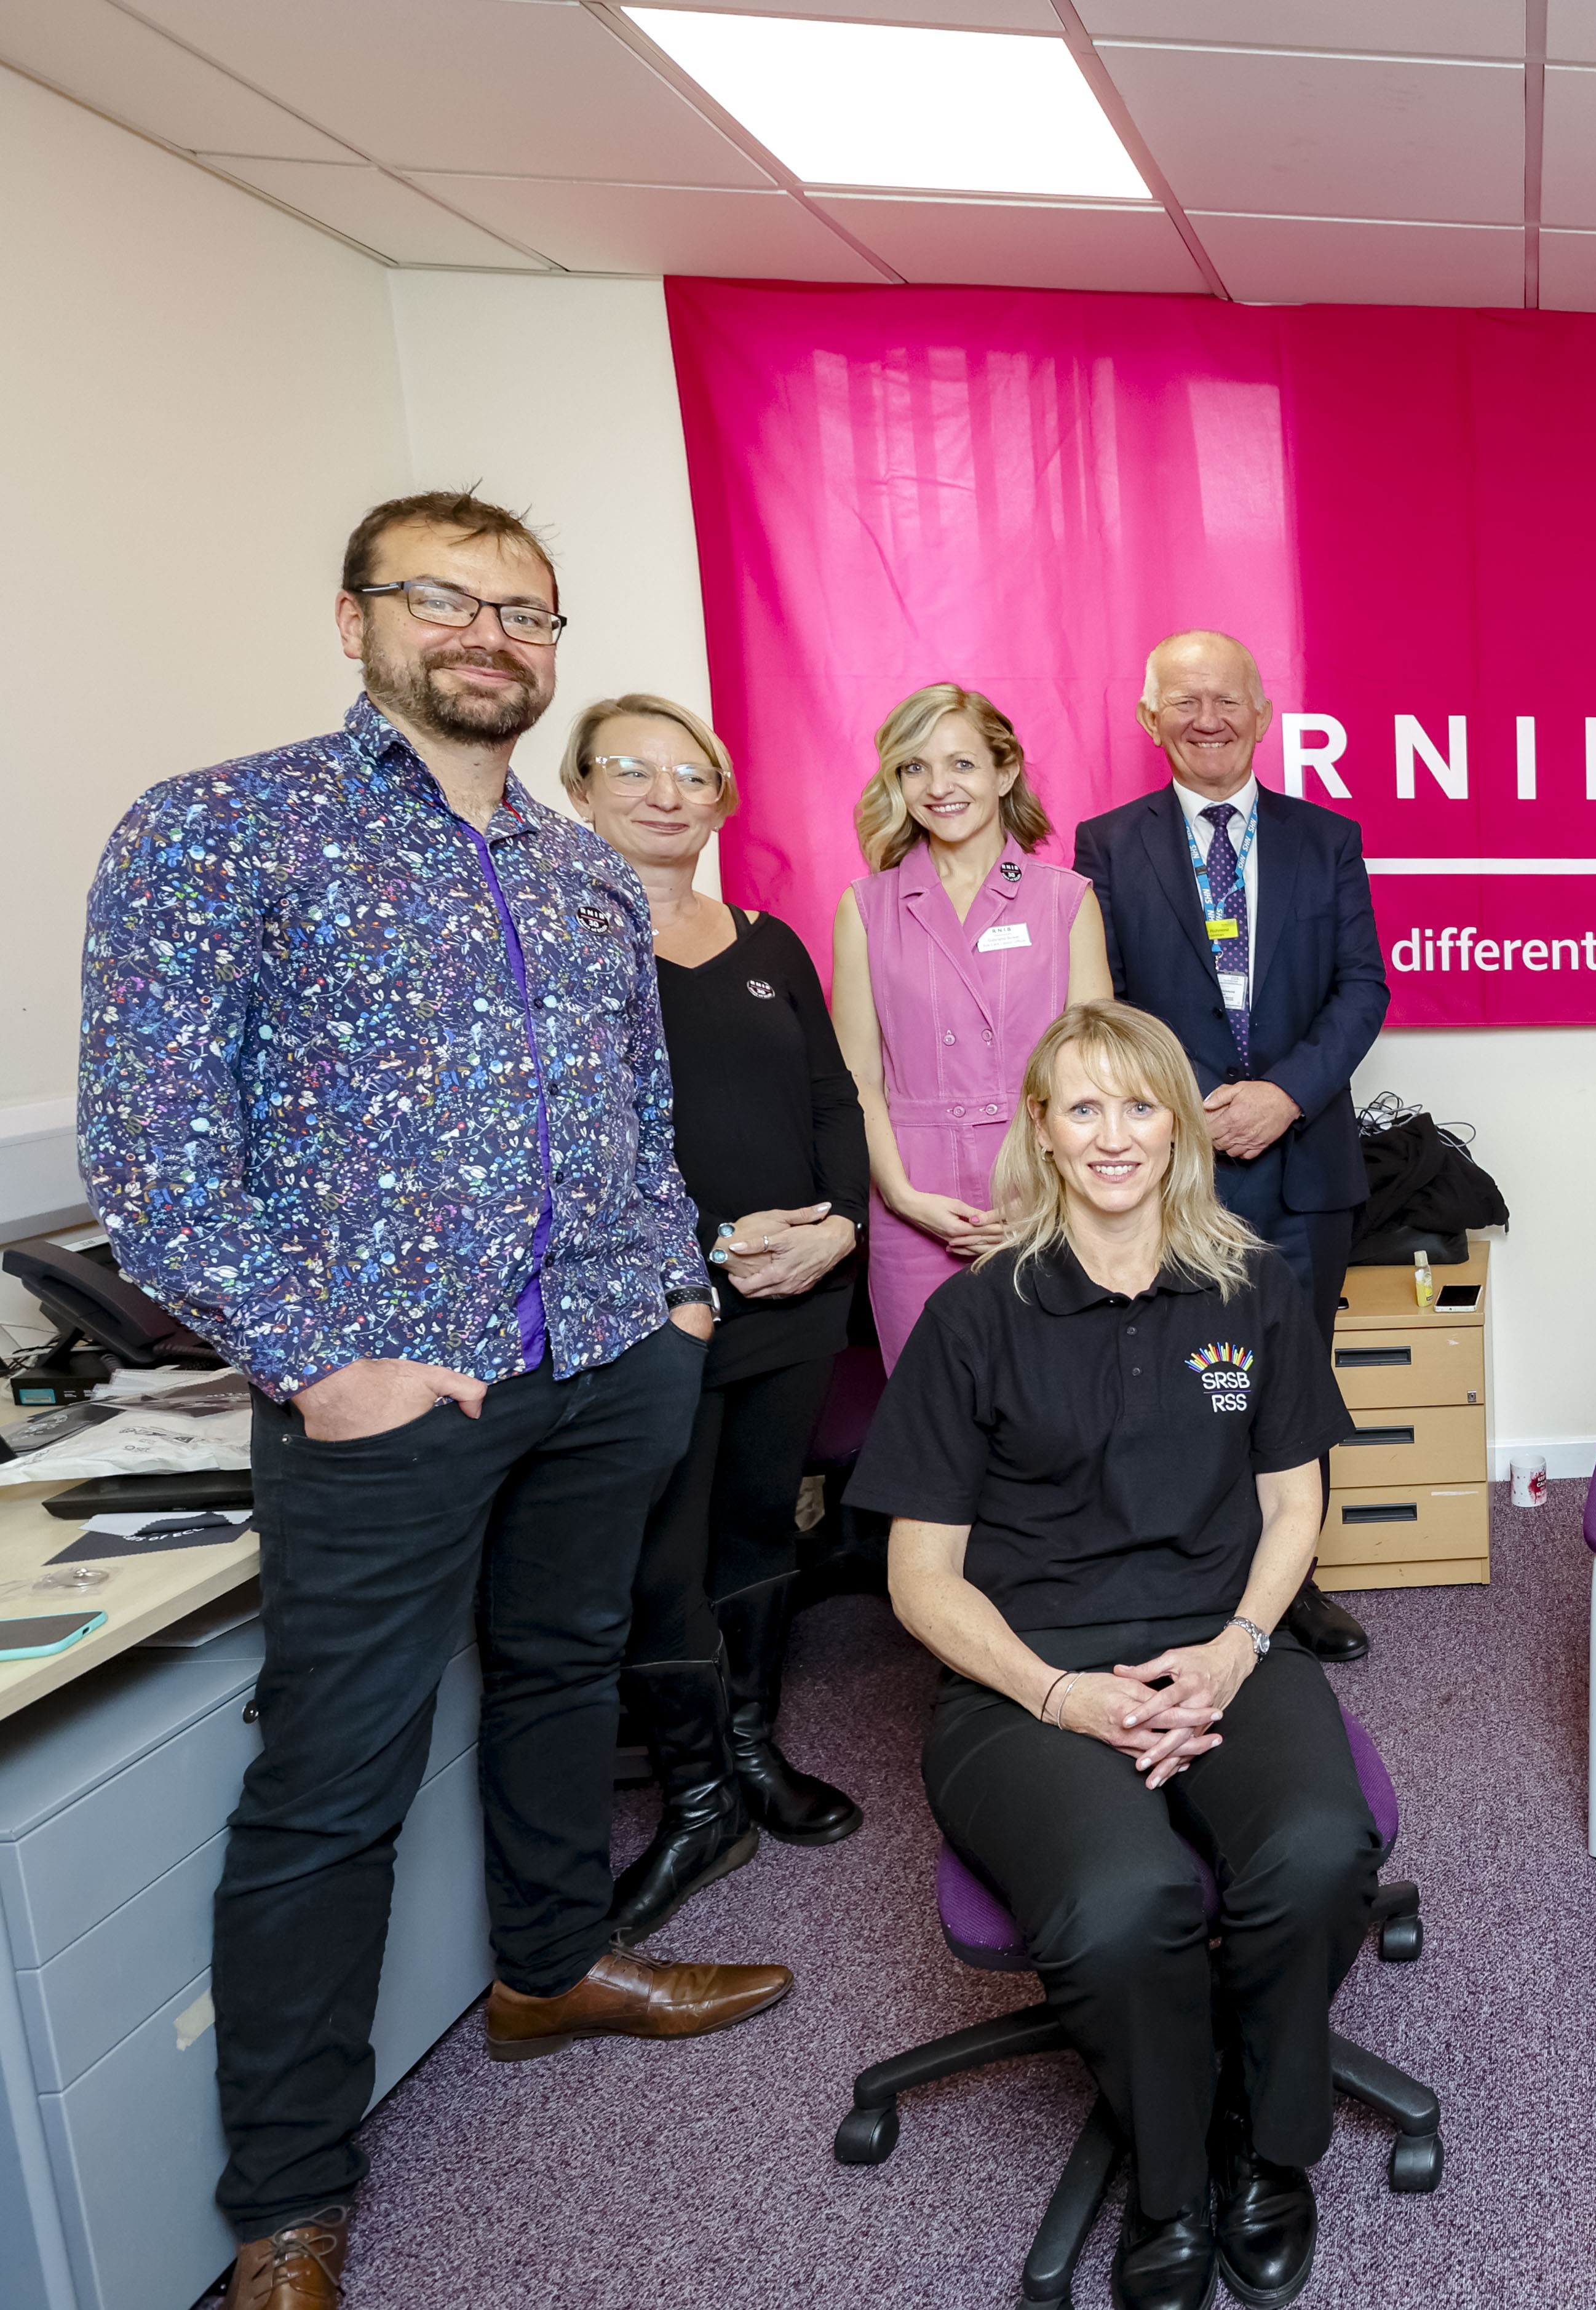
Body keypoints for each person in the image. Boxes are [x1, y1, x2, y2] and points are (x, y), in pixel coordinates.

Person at [75, 492, 791, 2310]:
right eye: (447, 601)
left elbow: (632, 1105)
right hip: (391, 1395)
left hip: (610, 1360)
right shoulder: (218, 832)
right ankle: (290, 2202)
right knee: (333, 1783)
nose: (492, 637)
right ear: (354, 619)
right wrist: (315, 1361)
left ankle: (553, 1967)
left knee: (564, 1674)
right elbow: (151, 1156)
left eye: (527, 612)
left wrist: (678, 1290)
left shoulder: (572, 869)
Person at [852, 1003, 1369, 2310]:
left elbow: (1297, 1504)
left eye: (1141, 1106)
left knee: (1317, 1851)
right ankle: (1174, 2179)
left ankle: (1270, 2150)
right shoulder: (978, 1316)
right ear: (1041, 1131)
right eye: (1082, 1108)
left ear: (1181, 1128)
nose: (1115, 1135)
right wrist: (1060, 1694)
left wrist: (1241, 1648)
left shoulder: (1254, 1286)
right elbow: (918, 1578)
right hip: (1026, 1676)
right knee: (1126, 1899)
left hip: (1224, 1648)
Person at [560, 693, 871, 1940]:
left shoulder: (769, 941)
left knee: (759, 1526)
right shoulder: (556, 944)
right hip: (654, 1310)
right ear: (579, 790)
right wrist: (702, 1254)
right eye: (633, 770)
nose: (666, 793)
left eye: (693, 774)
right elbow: (555, 1152)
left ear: (722, 799)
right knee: (660, 1558)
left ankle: (750, 1755)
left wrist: (839, 1227)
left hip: (795, 1296)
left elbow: (834, 1100)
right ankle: (696, 1804)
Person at [1076, 630, 1389, 1667]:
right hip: (1170, 1167)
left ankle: (1294, 1587)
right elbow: (1100, 1004)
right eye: (1182, 702)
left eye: (1225, 701)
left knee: (1294, 1380)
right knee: (1172, 1381)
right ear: (1147, 717)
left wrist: (1283, 1096)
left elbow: (1362, 989)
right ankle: (1189, 1582)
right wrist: (1180, 1104)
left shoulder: (1326, 839)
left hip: (1304, 1167)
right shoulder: (1104, 846)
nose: (1204, 719)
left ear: (1262, 713)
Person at [828, 681, 1110, 1371]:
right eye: (914, 767)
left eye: (961, 763)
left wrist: (1049, 1203)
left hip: (1049, 1190)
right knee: (931, 1426)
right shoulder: (866, 907)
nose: (938, 787)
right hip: (912, 1199)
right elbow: (857, 1078)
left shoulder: (1066, 899)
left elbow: (1097, 1075)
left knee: (1054, 1416)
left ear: (1004, 770)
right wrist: (898, 1197)